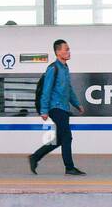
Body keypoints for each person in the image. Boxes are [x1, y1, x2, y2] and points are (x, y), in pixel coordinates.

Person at [28, 39, 85, 176]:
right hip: (56, 108)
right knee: (67, 136)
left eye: (68, 49)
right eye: (66, 49)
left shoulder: (65, 68)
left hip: (64, 108)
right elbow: (46, 90)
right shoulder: (53, 68)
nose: (68, 52)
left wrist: (77, 104)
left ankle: (35, 157)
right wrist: (44, 110)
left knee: (60, 139)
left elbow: (68, 89)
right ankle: (69, 167)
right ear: (58, 52)